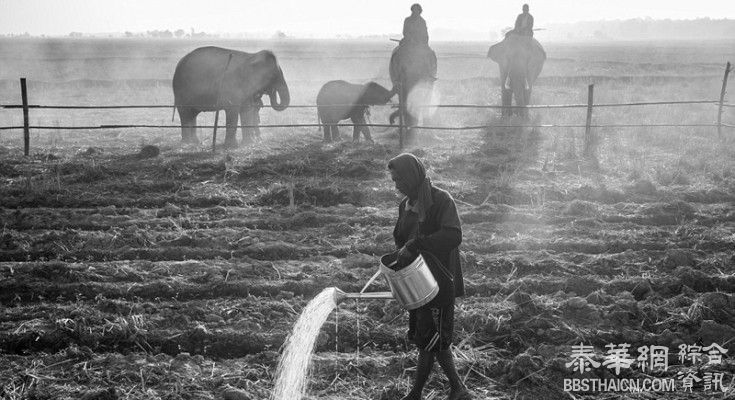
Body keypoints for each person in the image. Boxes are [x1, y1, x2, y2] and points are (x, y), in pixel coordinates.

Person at [388, 153, 472, 400]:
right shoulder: (406, 205)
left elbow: (453, 235)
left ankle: (418, 393)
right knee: (428, 337)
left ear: (411, 177)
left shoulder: (440, 200)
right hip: (416, 281)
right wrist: (398, 260)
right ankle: (457, 389)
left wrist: (417, 244)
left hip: (439, 282)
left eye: (398, 180)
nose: (396, 186)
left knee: (431, 339)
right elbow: (401, 238)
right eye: (393, 181)